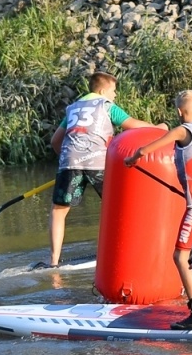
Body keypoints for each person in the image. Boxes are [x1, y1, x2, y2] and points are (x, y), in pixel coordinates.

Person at [124, 89, 192, 330]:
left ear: (178, 112)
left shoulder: (181, 131)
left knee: (180, 255)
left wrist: (131, 159)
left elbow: (145, 150)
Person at [45, 71, 151, 268]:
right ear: (103, 90)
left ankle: (53, 261)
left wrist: (67, 161)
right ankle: (128, 249)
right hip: (98, 163)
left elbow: (55, 141)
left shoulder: (72, 108)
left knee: (59, 211)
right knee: (119, 206)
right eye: (114, 90)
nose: (115, 95)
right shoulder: (106, 105)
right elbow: (133, 126)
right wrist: (158, 127)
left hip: (70, 163)